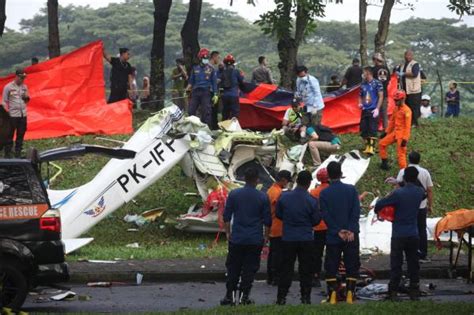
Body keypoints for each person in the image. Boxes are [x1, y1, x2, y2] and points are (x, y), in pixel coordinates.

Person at [221, 167, 272, 306]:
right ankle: (244, 297)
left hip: (237, 237)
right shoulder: (262, 196)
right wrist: (266, 237)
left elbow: (226, 216)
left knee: (233, 267)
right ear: (257, 180)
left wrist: (227, 233)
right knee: (250, 269)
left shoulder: (234, 194)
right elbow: (267, 220)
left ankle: (230, 296)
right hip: (255, 238)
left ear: (244, 179)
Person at [375, 167, 425, 301]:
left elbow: (379, 205)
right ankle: (414, 290)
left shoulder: (398, 193)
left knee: (396, 264)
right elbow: (423, 191)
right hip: (413, 234)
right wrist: (407, 181)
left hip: (398, 234)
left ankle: (393, 292)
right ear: (416, 178)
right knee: (413, 263)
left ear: (404, 178)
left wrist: (400, 183)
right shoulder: (419, 192)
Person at [276, 170, 320, 305]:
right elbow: (316, 220)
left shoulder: (284, 197)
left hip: (288, 237)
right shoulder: (312, 200)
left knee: (286, 268)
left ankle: (281, 297)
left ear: (297, 181)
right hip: (306, 238)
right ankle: (305, 297)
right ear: (309, 184)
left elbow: (278, 214)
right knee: (306, 269)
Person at [320, 161, 360, 304]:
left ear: (328, 176)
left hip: (333, 235)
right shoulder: (351, 190)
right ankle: (350, 294)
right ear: (341, 173)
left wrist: (337, 230)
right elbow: (356, 211)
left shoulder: (324, 193)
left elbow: (325, 214)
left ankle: (332, 295)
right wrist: (349, 229)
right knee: (352, 264)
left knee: (331, 264)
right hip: (351, 234)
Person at [395, 152, 434, 263]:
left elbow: (398, 188)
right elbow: (429, 190)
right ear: (419, 160)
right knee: (421, 229)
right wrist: (430, 205)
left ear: (409, 159)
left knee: (407, 229)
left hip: (406, 206)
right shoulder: (425, 172)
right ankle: (422, 254)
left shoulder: (403, 171)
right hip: (421, 206)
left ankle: (407, 254)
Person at [266, 170, 292, 286]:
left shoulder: (272, 189)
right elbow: (280, 208)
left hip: (274, 226)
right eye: (287, 181)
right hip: (277, 227)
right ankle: (275, 277)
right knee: (277, 254)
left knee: (273, 253)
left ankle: (271, 277)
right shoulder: (276, 192)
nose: (287, 184)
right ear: (283, 180)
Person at [379, 90, 412, 170]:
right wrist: (386, 132)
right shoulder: (396, 109)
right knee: (381, 143)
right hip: (395, 133)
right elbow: (392, 122)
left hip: (402, 135)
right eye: (395, 100)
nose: (395, 102)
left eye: (397, 100)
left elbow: (408, 127)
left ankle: (404, 171)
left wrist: (405, 138)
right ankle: (384, 164)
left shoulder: (407, 111)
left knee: (401, 153)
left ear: (402, 99)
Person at [1, 68, 30, 158]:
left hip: (23, 115)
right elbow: (4, 101)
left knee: (21, 134)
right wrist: (7, 113)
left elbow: (27, 101)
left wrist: (26, 97)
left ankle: (18, 153)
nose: (23, 79)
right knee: (9, 135)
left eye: (24, 78)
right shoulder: (8, 87)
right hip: (13, 115)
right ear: (16, 76)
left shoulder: (24, 87)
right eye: (21, 77)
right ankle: (8, 154)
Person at [187, 48, 218, 128]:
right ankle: (192, 128)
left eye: (207, 58)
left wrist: (215, 94)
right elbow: (191, 82)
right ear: (200, 58)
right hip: (195, 92)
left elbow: (214, 83)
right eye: (204, 58)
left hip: (206, 92)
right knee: (191, 111)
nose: (206, 59)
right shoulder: (195, 68)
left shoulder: (211, 69)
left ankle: (207, 130)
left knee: (206, 112)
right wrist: (187, 89)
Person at [309, 168, 330, 287]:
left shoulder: (313, 192)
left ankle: (315, 276)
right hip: (331, 226)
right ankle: (331, 275)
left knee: (317, 254)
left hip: (318, 227)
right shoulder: (332, 190)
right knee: (332, 252)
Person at [359, 66, 383, 156]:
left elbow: (381, 96)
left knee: (372, 129)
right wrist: (360, 103)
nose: (363, 74)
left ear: (368, 73)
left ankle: (372, 147)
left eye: (364, 72)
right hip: (365, 110)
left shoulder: (377, 83)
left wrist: (377, 108)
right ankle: (367, 146)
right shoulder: (363, 84)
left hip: (373, 110)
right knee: (364, 129)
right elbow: (360, 95)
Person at [394, 50, 422, 127]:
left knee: (414, 107)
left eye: (410, 55)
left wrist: (404, 74)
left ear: (412, 56)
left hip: (414, 90)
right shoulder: (402, 65)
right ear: (404, 56)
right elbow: (396, 71)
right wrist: (396, 72)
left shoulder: (415, 64)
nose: (408, 57)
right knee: (406, 106)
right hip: (404, 90)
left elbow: (414, 74)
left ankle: (415, 123)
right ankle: (407, 122)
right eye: (407, 55)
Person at [220, 54, 244, 120]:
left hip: (224, 96)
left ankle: (223, 126)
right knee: (235, 113)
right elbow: (241, 81)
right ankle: (233, 127)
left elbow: (220, 84)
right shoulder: (236, 71)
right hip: (234, 95)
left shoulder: (222, 72)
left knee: (225, 112)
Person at [371, 53, 391, 129]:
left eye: (373, 59)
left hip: (375, 94)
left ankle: (375, 129)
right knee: (384, 113)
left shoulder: (373, 70)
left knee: (375, 111)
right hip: (384, 93)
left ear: (376, 60)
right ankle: (386, 130)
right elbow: (388, 81)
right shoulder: (387, 69)